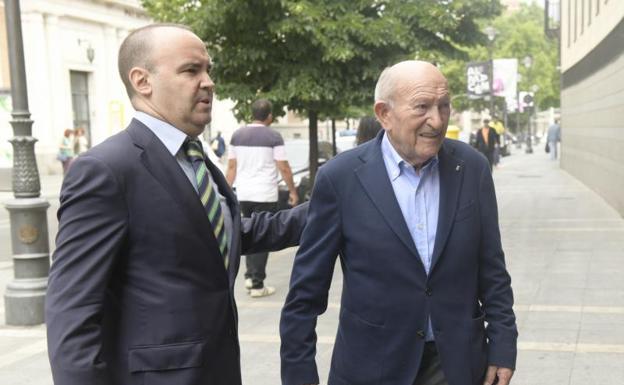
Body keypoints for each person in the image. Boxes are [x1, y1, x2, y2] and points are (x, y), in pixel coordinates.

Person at [45, 23, 307, 385]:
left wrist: (328, 209)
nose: (208, 82)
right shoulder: (106, 169)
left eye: (208, 70)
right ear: (142, 81)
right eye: (191, 70)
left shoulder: (194, 158)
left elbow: (222, 234)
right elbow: (72, 307)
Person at [280, 61, 517, 385]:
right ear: (384, 114)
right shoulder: (340, 179)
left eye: (444, 105)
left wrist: (503, 344)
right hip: (372, 368)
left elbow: (491, 267)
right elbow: (304, 296)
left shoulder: (471, 168)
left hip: (456, 365)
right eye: (422, 107)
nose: (437, 120)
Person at [226, 99, 299, 297]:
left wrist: (226, 191)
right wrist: (292, 190)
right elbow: (283, 166)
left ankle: (250, 277)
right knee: (263, 234)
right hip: (265, 193)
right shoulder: (273, 136)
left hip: (243, 193)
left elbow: (231, 166)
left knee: (247, 231)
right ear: (269, 116)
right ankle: (257, 284)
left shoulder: (237, 135)